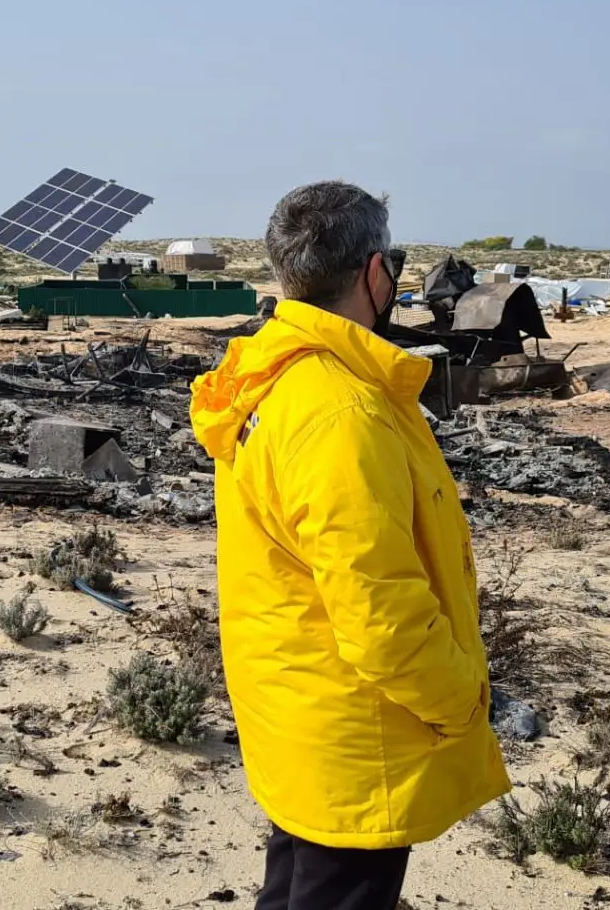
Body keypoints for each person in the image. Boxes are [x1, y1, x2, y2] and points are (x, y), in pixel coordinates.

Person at [190, 181, 510, 910]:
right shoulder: (341, 413)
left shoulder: (271, 379)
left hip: (298, 717)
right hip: (356, 741)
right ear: (375, 274)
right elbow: (382, 618)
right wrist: (463, 700)